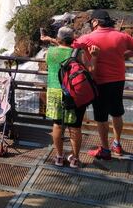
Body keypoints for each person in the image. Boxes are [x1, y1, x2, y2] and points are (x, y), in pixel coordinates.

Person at [75, 10, 133, 160]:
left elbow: (70, 44)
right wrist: (126, 55)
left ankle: (105, 149)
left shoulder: (88, 38)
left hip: (98, 81)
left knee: (101, 117)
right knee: (117, 113)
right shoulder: (122, 36)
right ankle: (117, 144)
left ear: (95, 22)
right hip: (118, 80)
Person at [42, 27, 99, 169]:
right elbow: (90, 71)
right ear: (73, 39)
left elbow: (49, 67)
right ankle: (75, 159)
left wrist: (52, 41)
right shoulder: (77, 53)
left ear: (59, 38)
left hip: (54, 92)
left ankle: (59, 157)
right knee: (75, 126)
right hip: (72, 93)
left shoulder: (49, 52)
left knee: (57, 125)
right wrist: (95, 56)